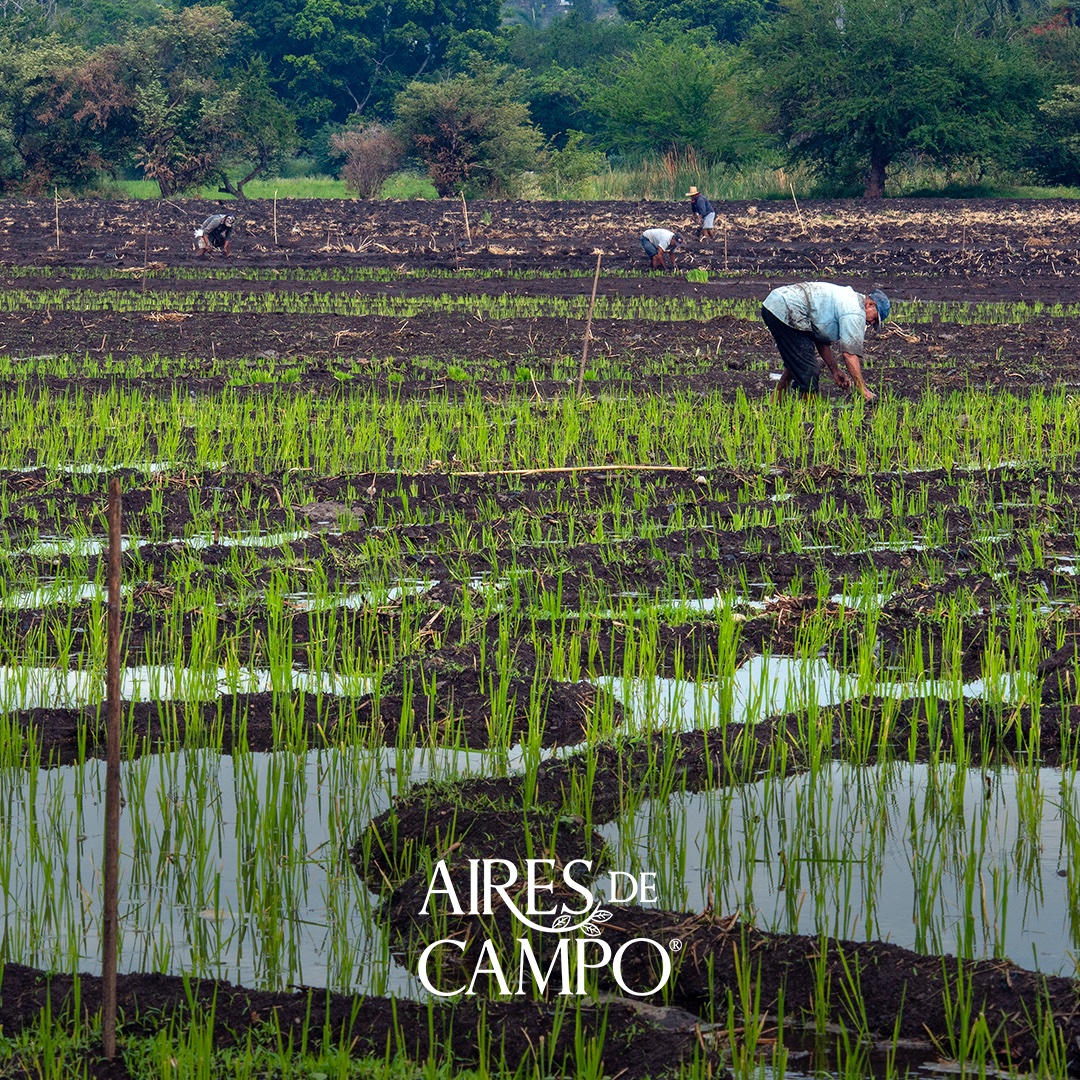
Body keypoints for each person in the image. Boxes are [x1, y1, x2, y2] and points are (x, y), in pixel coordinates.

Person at [761, 281, 890, 403]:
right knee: (809, 369)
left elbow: (820, 340)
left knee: (797, 362)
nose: (871, 323)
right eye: (875, 318)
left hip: (775, 304)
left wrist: (834, 370)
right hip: (786, 306)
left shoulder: (848, 300)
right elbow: (849, 355)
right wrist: (864, 390)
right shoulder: (855, 311)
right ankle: (810, 413)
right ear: (870, 304)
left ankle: (774, 403)